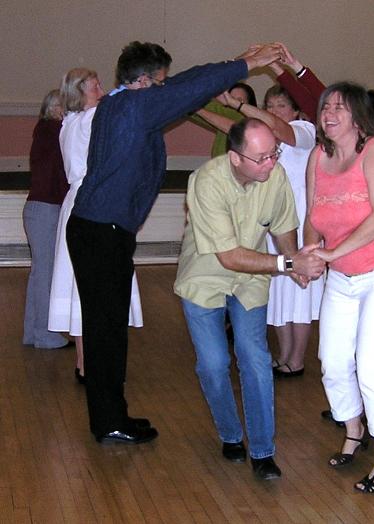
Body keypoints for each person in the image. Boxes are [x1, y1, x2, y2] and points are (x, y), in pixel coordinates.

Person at [66, 41, 286, 445]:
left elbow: (185, 83)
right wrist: (246, 64)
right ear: (145, 81)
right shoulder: (134, 107)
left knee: (107, 329)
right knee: (106, 331)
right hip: (100, 233)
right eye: (161, 83)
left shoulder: (121, 102)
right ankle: (109, 420)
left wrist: (233, 61)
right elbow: (188, 88)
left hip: (98, 230)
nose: (167, 89)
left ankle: (110, 416)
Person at [174, 118, 325, 479]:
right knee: (213, 364)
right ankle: (229, 434)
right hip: (204, 279)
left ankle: (262, 450)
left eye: (273, 153)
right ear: (235, 158)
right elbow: (229, 256)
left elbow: (284, 226)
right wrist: (288, 262)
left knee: (255, 358)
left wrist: (296, 265)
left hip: (250, 281)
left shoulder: (274, 176)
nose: (271, 163)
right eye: (261, 158)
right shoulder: (206, 181)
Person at [304, 82, 374, 493]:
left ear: (358, 116)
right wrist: (309, 254)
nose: (329, 114)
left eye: (339, 107)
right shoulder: (319, 156)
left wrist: (329, 256)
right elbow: (313, 217)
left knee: (371, 363)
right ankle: (354, 430)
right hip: (343, 273)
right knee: (332, 360)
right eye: (324, 108)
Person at [198, 83, 324, 377]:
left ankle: (297, 359)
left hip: (299, 220)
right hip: (273, 217)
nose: (273, 111)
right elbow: (233, 128)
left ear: (295, 110)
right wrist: (200, 110)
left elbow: (278, 128)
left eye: (280, 105)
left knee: (299, 295)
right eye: (269, 105)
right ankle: (283, 355)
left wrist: (240, 106)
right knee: (278, 291)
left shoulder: (304, 130)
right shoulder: (268, 138)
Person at [48, 68, 144, 384]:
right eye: (94, 85)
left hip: (76, 201)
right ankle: (90, 365)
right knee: (92, 284)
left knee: (79, 285)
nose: (101, 89)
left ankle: (83, 363)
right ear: (80, 91)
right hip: (92, 202)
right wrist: (133, 87)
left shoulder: (68, 123)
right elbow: (115, 107)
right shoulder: (89, 119)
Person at [22, 89, 72, 349]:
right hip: (46, 209)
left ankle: (33, 332)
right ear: (55, 109)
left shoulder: (45, 131)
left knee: (39, 273)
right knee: (45, 274)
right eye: (66, 107)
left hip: (40, 208)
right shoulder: (53, 132)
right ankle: (43, 333)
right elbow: (61, 175)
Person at [191, 82, 258, 158]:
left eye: (239, 101)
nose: (233, 104)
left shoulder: (247, 121)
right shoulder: (221, 116)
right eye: (231, 99)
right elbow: (195, 114)